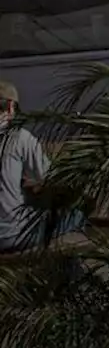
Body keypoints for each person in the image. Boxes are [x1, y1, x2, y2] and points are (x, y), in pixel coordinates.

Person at [0, 80, 80, 251]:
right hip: (9, 236)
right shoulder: (19, 137)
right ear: (10, 107)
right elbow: (49, 177)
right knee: (76, 216)